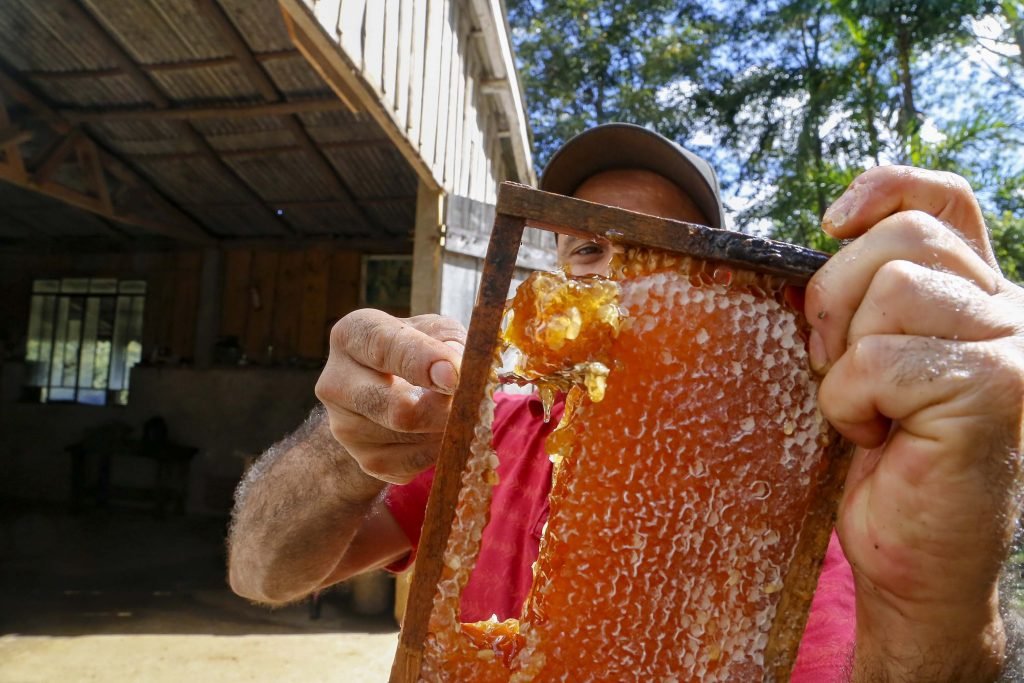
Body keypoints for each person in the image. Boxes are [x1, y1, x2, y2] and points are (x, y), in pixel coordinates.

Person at [228, 123, 1024, 681]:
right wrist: (346, 447)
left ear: (721, 293)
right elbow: (260, 571)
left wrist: (940, 615)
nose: (617, 275)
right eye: (588, 245)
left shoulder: (814, 474)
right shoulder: (487, 433)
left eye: (661, 248)